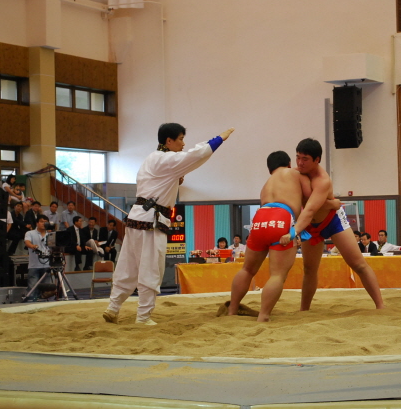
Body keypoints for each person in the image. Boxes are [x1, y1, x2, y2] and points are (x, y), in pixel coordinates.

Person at [102, 123, 235, 326]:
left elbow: (158, 181)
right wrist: (219, 139)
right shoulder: (167, 159)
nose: (183, 144)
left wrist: (174, 180)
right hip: (151, 220)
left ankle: (113, 308)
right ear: (169, 141)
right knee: (150, 268)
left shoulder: (151, 158)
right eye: (180, 139)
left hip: (137, 217)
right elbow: (196, 155)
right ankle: (143, 317)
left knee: (128, 266)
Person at [225, 151, 338, 322]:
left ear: (270, 169)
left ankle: (232, 310)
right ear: (289, 164)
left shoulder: (266, 184)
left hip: (260, 218)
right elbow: (312, 199)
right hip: (282, 217)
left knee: (247, 269)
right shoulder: (295, 174)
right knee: (277, 274)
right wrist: (333, 203)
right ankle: (263, 315)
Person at [286, 138, 384, 311]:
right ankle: (304, 310)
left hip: (332, 221)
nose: (300, 162)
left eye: (305, 159)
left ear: (317, 160)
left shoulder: (322, 180)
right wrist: (331, 203)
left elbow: (310, 208)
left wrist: (293, 232)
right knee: (309, 269)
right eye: (298, 157)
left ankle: (380, 305)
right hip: (310, 224)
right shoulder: (295, 174)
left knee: (358, 264)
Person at [24, 215, 57, 301]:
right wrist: (32, 246)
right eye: (42, 221)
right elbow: (27, 242)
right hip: (34, 265)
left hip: (47, 265)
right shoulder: (30, 233)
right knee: (32, 288)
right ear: (37, 223)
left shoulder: (50, 234)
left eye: (46, 222)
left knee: (46, 289)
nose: (44, 224)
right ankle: (31, 302)